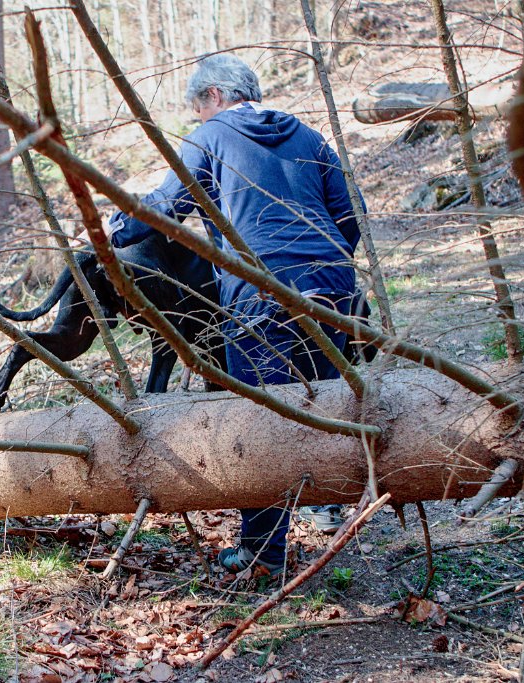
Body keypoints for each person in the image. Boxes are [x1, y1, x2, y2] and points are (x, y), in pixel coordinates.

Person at [106, 54, 362, 577]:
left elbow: (169, 205)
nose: (199, 117)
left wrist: (114, 229)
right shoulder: (310, 138)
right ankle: (331, 502)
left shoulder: (213, 135)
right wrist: (326, 264)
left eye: (198, 107)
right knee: (327, 399)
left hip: (259, 288)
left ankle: (263, 554)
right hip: (332, 283)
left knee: (259, 414)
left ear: (215, 97)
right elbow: (347, 218)